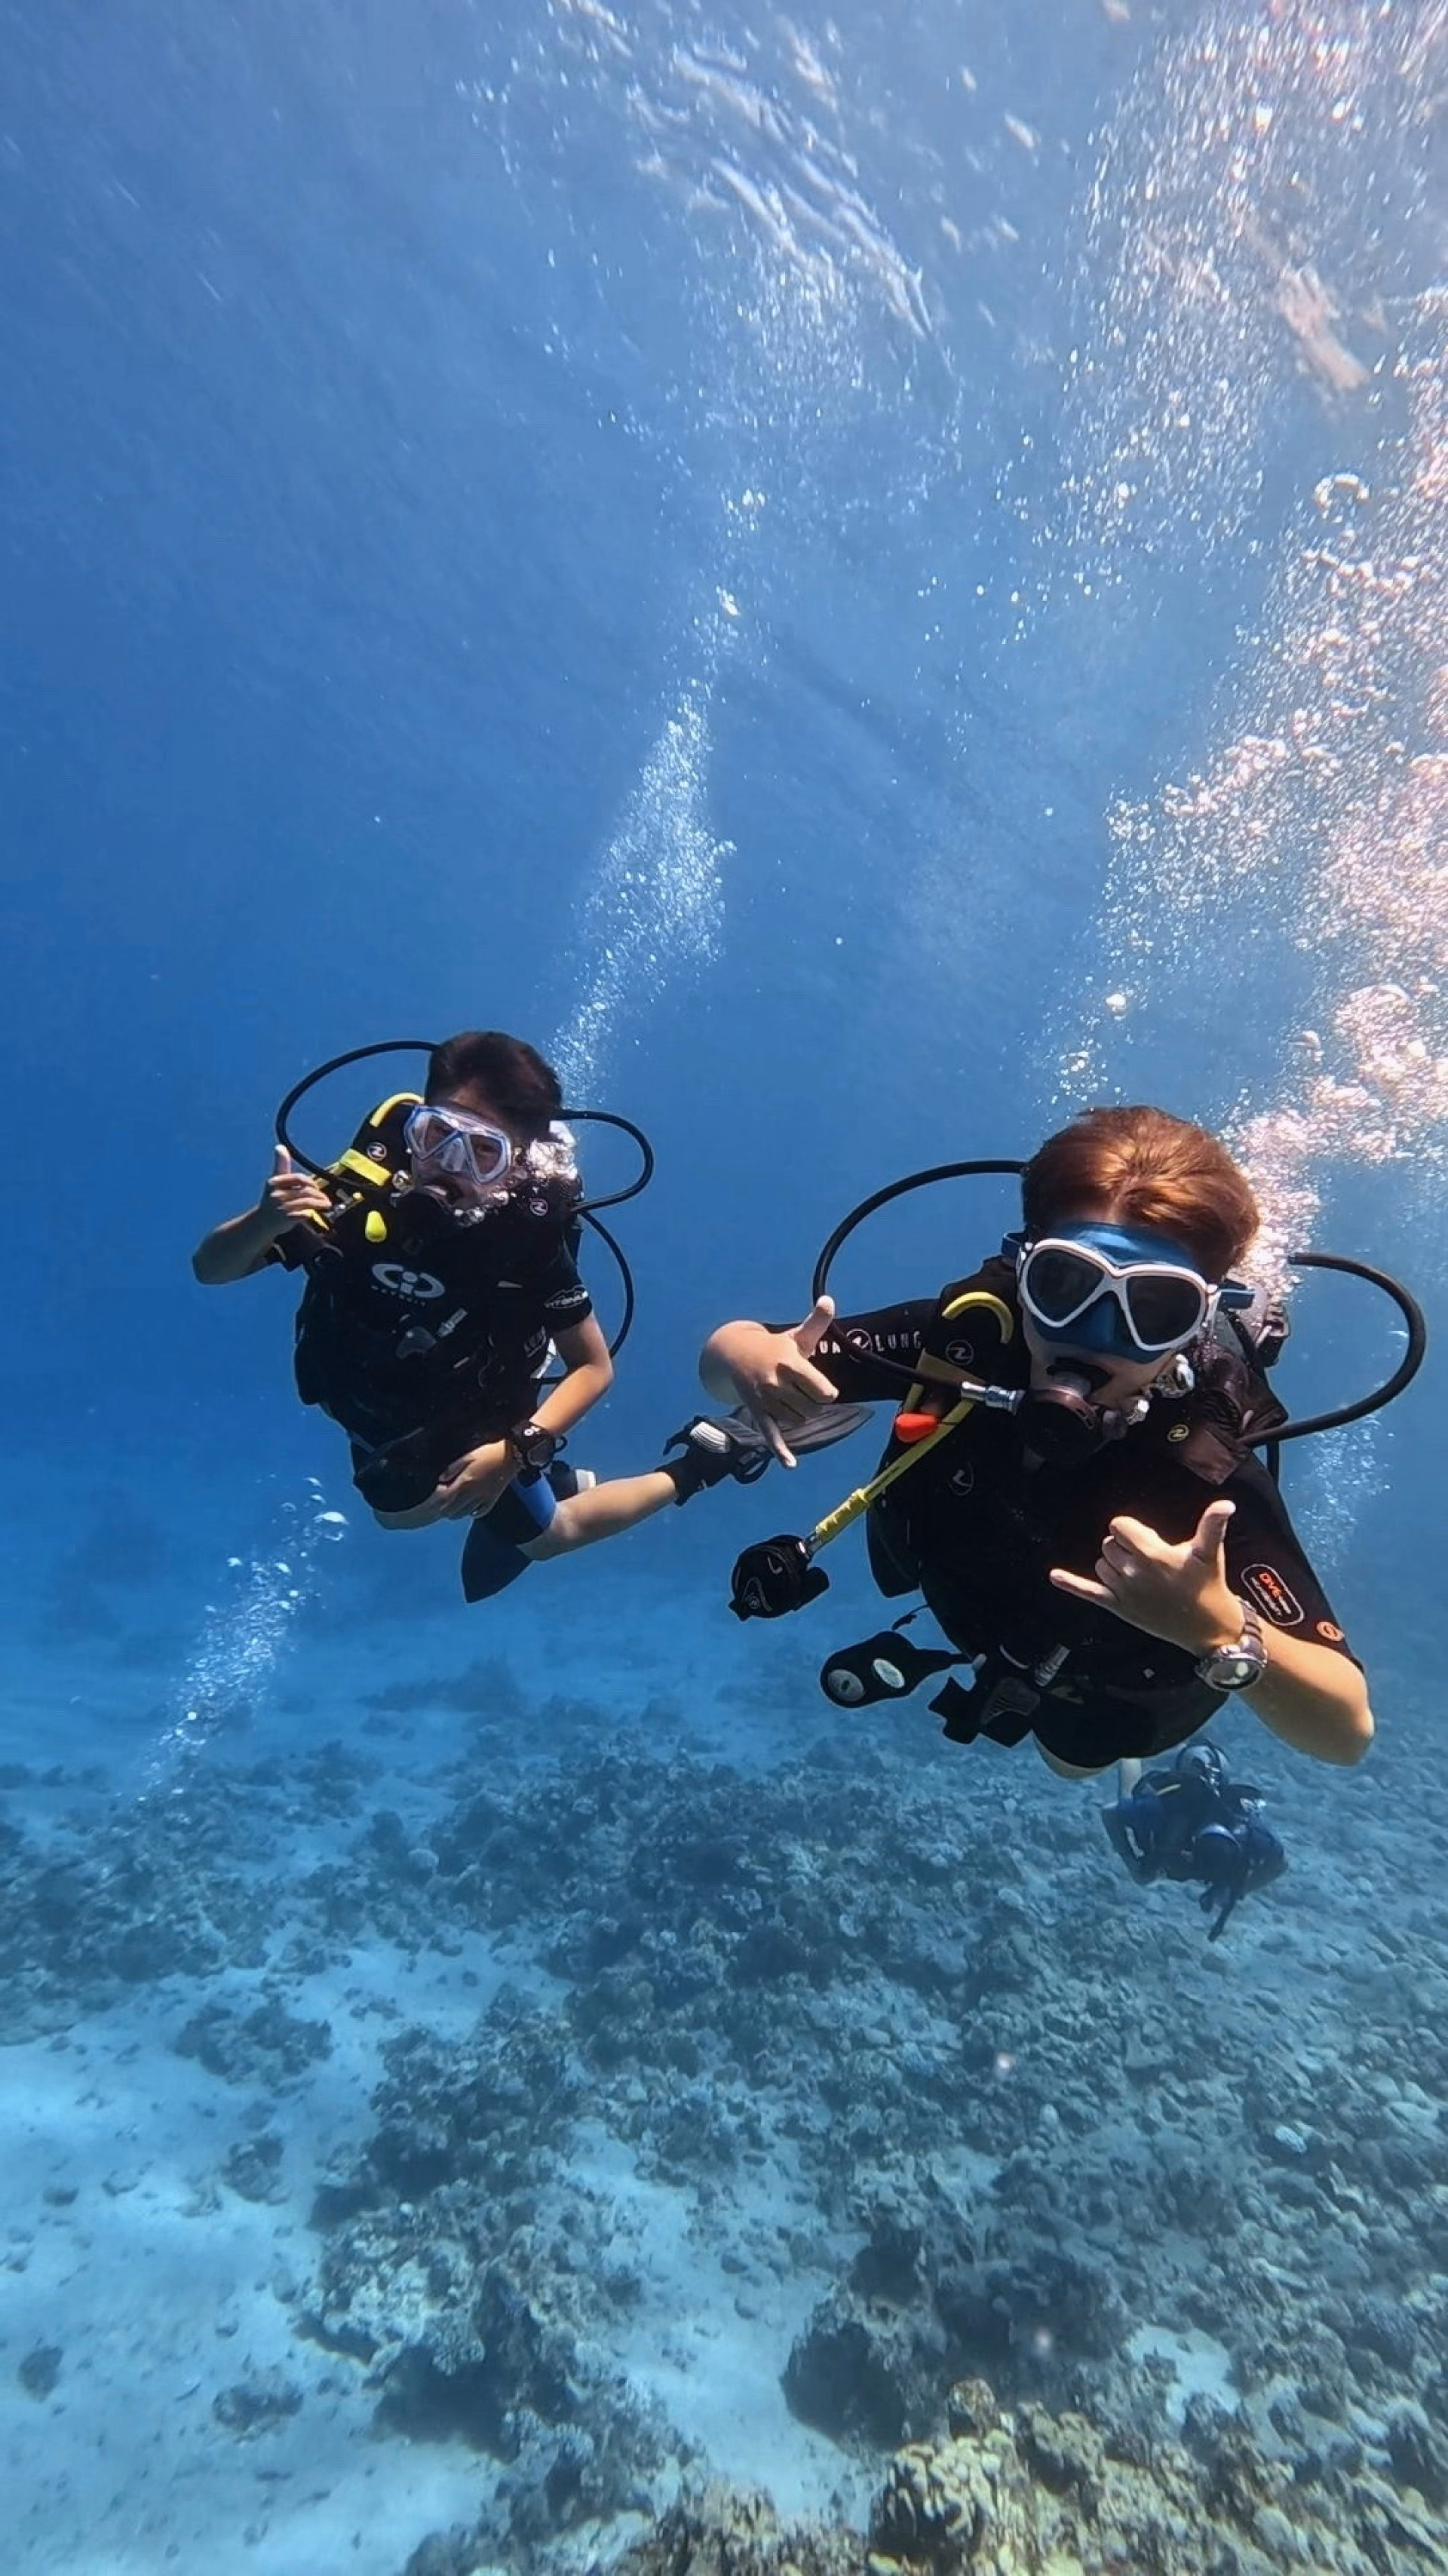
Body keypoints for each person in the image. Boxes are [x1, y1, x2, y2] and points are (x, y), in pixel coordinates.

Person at [700, 1106, 1373, 1800]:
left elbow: (1345, 1731)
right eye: (1066, 1286)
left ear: (1197, 1323)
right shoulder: (968, 1345)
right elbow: (728, 1358)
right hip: (969, 1600)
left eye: (1155, 1310)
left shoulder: (1204, 1458)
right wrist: (749, 1355)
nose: (1098, 1337)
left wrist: (1216, 1628)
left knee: (1071, 1762)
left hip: (1113, 1675)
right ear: (1023, 1273)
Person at [193, 1029, 824, 1602]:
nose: (451, 1169)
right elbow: (211, 1268)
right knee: (396, 1517)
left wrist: (514, 1451)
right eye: (438, 1136)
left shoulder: (525, 1240)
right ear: (415, 1121)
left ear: (517, 1161)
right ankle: (558, 1477)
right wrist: (265, 1221)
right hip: (373, 1406)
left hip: (480, 1418)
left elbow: (593, 1368)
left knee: (551, 1535)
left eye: (484, 1155)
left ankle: (705, 1458)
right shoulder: (355, 1195)